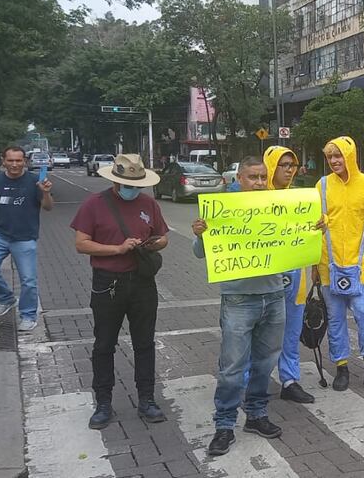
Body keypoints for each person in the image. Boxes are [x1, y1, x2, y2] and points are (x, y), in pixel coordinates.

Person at [192, 156, 286, 456]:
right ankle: (224, 424)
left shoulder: (278, 207)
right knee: (231, 368)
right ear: (239, 179)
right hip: (238, 300)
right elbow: (200, 253)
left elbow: (297, 242)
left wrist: (315, 229)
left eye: (262, 177)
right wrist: (200, 234)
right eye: (252, 177)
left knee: (265, 363)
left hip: (274, 296)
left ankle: (256, 415)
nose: (258, 183)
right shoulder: (223, 210)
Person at [70, 154, 169, 429]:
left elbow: (163, 236)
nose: (132, 189)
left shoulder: (149, 203)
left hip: (142, 282)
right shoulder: (95, 204)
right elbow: (81, 244)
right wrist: (117, 249)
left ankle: (146, 400)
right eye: (128, 184)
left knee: (145, 343)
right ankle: (103, 402)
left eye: (137, 185)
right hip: (107, 283)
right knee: (104, 344)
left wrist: (151, 244)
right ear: (115, 181)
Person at [315, 136, 364, 392]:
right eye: (330, 157)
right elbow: (314, 225)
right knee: (335, 319)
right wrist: (315, 263)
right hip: (329, 264)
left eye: (338, 156)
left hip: (362, 265)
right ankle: (341, 368)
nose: (334, 161)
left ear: (350, 156)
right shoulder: (322, 186)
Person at [0, 145, 54, 332]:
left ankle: (28, 316)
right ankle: (6, 299)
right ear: (3, 161)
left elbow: (48, 207)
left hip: (25, 238)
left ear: (25, 162)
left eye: (18, 160)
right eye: (10, 160)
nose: (14, 164)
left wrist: (45, 191)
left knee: (28, 280)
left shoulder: (35, 181)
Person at [263, 146, 314, 403]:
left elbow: (311, 235)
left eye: (291, 165)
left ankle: (290, 380)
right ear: (271, 166)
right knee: (261, 335)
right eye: (283, 165)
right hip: (264, 283)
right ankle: (254, 382)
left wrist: (321, 224)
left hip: (296, 280)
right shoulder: (254, 200)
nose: (289, 170)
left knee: (291, 334)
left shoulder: (300, 200)